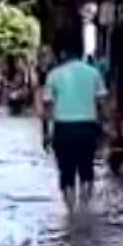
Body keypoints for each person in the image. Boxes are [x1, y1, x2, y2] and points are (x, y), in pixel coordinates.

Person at [40, 30, 108, 215]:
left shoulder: (54, 75)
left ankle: (71, 215)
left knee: (66, 172)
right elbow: (101, 104)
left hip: (64, 129)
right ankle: (85, 211)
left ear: (62, 53)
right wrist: (104, 129)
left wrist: (45, 133)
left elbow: (47, 108)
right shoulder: (93, 73)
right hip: (87, 127)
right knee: (87, 169)